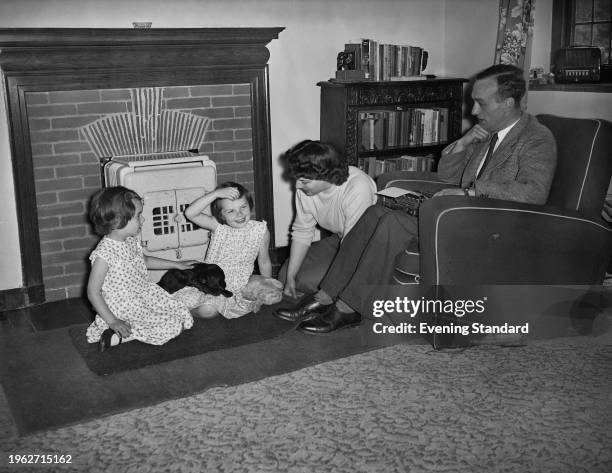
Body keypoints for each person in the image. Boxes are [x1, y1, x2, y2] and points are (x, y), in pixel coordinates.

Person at [276, 64, 557, 334]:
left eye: (480, 104)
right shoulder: (486, 134)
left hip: (491, 224)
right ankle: (327, 295)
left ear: (507, 103)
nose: (473, 111)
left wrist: (470, 192)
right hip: (454, 212)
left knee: (392, 224)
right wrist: (462, 144)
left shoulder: (536, 138)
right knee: (374, 215)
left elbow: (534, 192)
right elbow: (447, 175)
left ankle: (350, 308)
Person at [275, 140, 377, 321]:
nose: (297, 186)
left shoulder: (357, 187)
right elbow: (302, 231)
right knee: (285, 276)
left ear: (326, 175)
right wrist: (291, 276)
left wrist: (331, 285)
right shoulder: (306, 190)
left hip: (365, 247)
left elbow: (353, 246)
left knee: (319, 283)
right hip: (340, 240)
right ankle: (337, 291)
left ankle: (347, 299)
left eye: (304, 181)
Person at [86, 186, 195, 351]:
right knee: (171, 327)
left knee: (180, 312)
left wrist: (176, 264)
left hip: (142, 296)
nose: (143, 220)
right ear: (117, 220)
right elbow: (93, 292)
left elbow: (144, 260)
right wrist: (113, 320)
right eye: (138, 216)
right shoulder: (104, 254)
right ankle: (118, 336)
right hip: (124, 307)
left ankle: (123, 334)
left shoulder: (130, 241)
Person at [175, 181, 273, 319]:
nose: (239, 214)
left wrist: (266, 286)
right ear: (221, 215)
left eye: (243, 207)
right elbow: (190, 213)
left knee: (247, 303)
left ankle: (216, 306)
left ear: (250, 206)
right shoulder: (218, 226)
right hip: (210, 282)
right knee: (208, 311)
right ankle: (188, 312)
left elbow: (264, 261)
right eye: (230, 211)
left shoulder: (260, 230)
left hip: (239, 285)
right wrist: (215, 194)